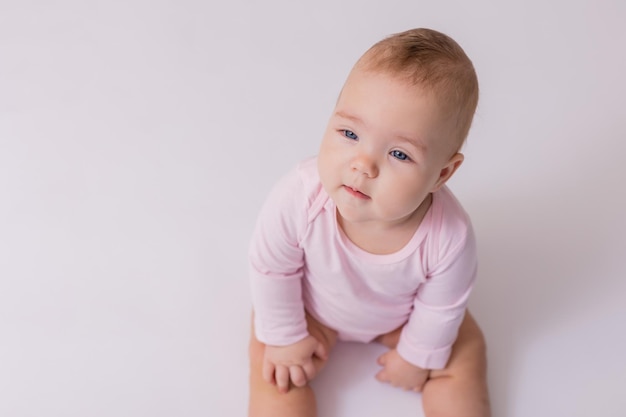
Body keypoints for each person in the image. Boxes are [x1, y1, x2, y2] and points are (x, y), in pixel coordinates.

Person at [247, 28, 490, 417]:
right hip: (311, 311)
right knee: (273, 368)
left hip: (403, 320)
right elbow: (272, 268)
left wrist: (416, 354)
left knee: (465, 350)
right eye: (349, 133)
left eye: (398, 153)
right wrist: (286, 337)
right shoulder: (299, 197)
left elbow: (442, 306)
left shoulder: (450, 235)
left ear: (442, 173)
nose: (363, 164)